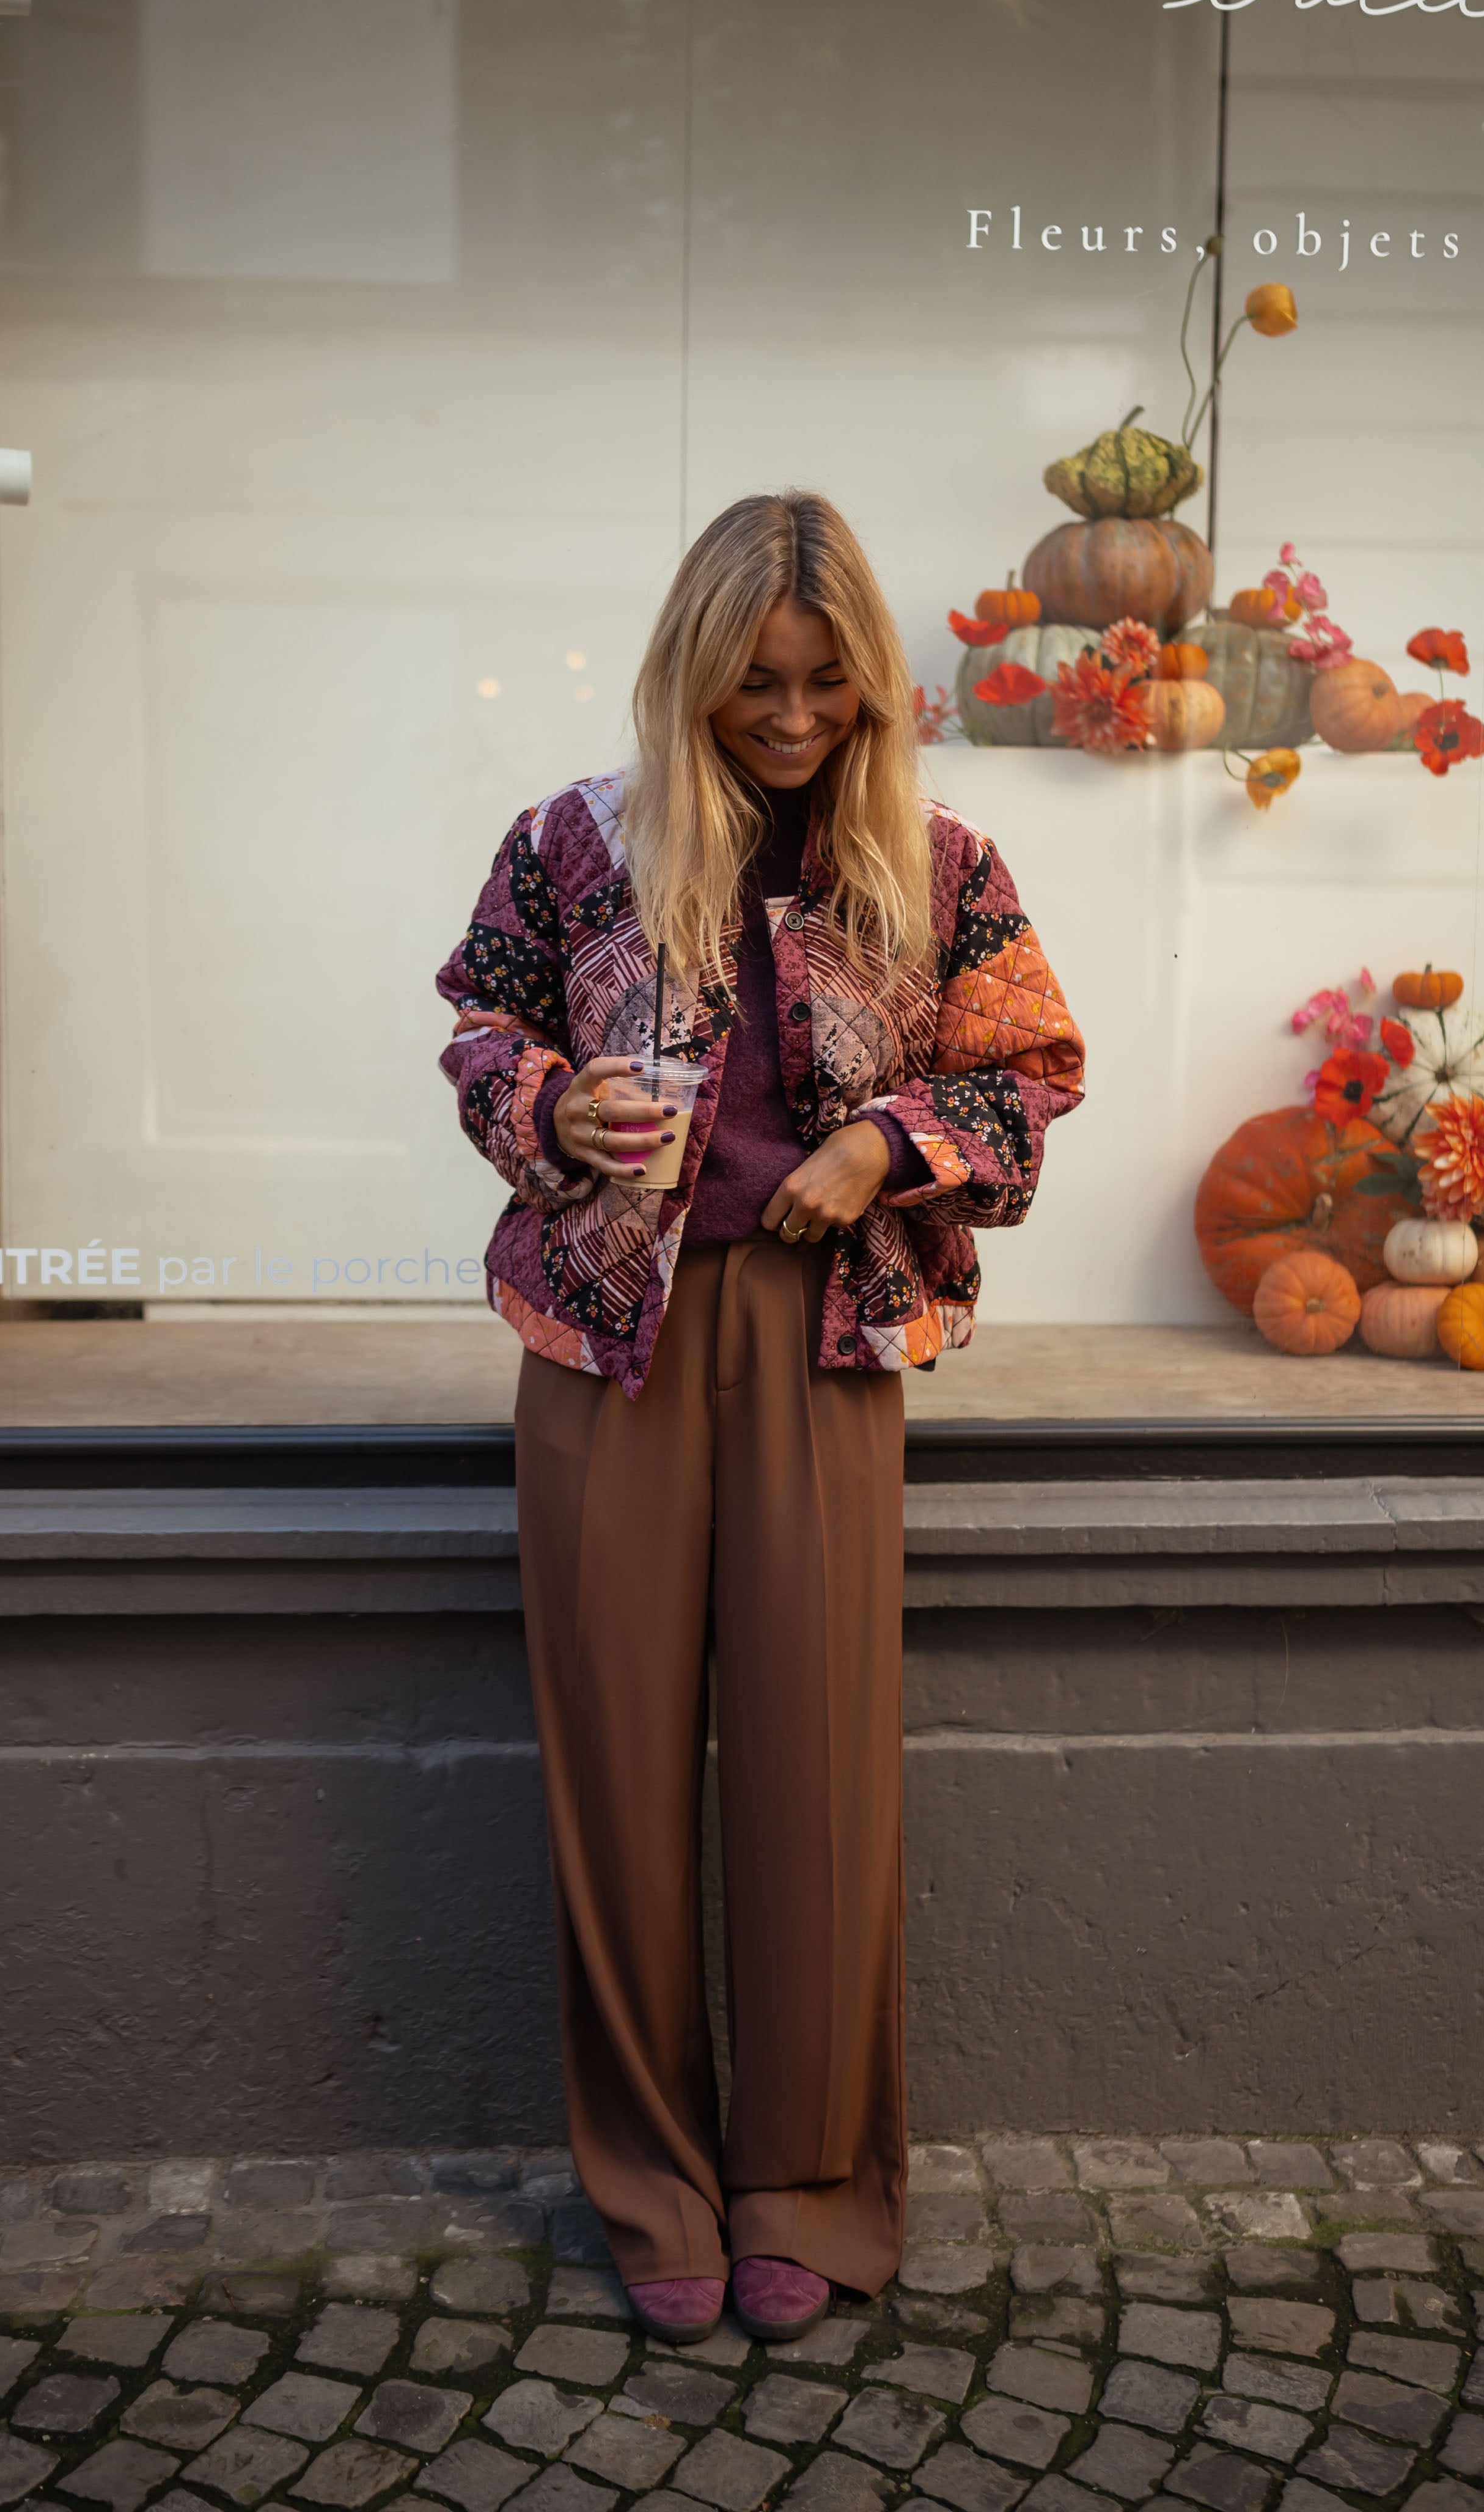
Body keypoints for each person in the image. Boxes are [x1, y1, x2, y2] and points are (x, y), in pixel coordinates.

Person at [438, 490, 1084, 2345]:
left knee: (813, 1776)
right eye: (750, 687)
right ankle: (652, 2180)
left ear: (870, 685)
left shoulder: (938, 863)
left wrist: (891, 1143)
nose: (790, 721)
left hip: (826, 1343)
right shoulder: (576, 844)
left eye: (823, 687)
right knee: (620, 1784)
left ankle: (809, 2181)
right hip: (600, 1348)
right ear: (687, 678)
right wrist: (551, 1112)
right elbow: (481, 1024)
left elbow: (1032, 1068)